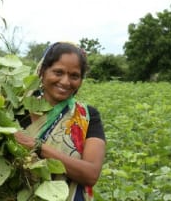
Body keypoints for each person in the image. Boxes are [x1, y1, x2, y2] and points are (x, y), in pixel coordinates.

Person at [14, 42, 106, 201]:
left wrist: (38, 147)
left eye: (74, 76)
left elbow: (91, 174)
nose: (65, 82)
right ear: (42, 72)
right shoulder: (16, 110)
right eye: (58, 72)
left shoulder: (87, 116)